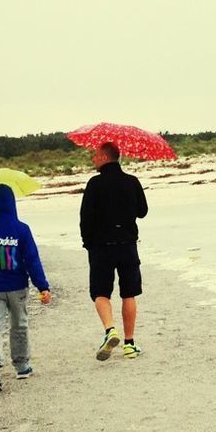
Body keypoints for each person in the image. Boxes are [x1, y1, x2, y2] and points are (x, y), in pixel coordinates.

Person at [0, 183, 51, 393]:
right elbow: (32, 260)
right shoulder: (22, 229)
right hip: (17, 287)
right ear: (12, 203)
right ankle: (22, 366)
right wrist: (43, 286)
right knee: (19, 325)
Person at [79, 142, 148, 361]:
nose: (93, 159)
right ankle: (129, 344)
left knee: (100, 292)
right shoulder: (132, 181)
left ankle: (110, 330)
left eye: (95, 156)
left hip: (101, 248)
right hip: (127, 245)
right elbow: (143, 211)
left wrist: (88, 243)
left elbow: (85, 219)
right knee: (129, 292)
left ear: (104, 157)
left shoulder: (94, 184)